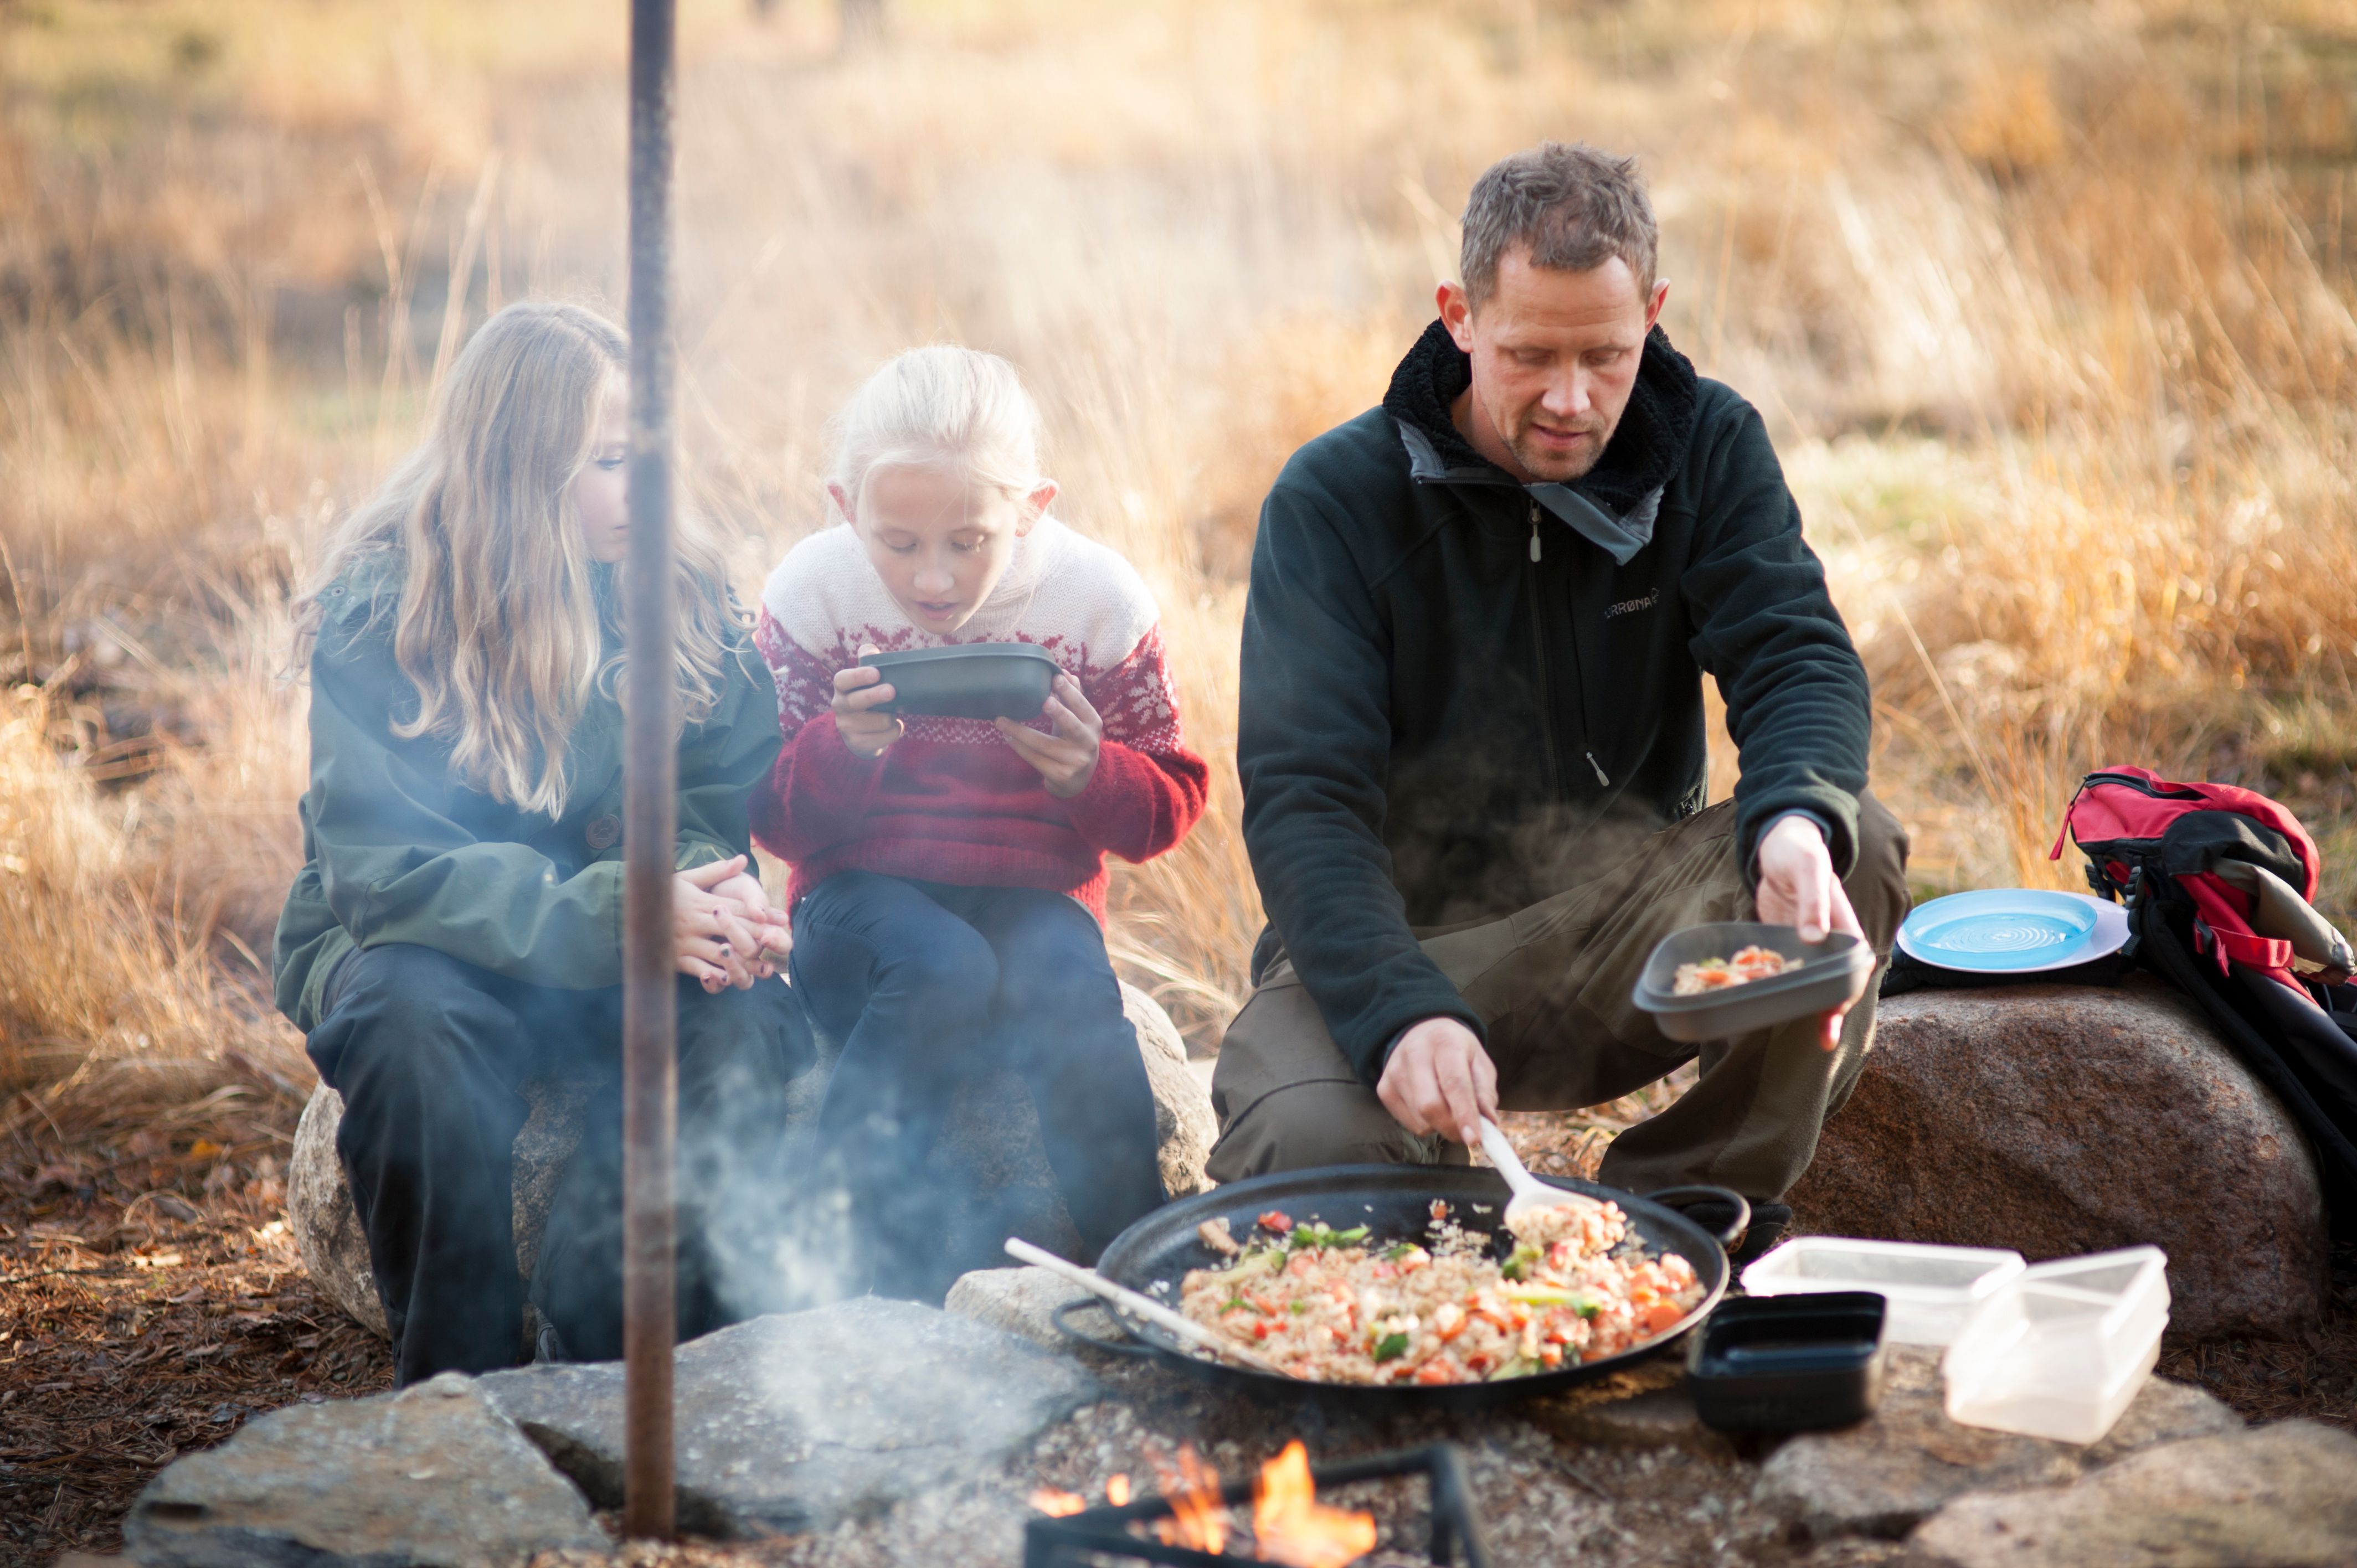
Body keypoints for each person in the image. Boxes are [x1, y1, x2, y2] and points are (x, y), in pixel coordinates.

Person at [1210, 143, 1910, 1257]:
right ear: (1457, 315)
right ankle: (1445, 1192)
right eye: (1529, 354)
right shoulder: (1334, 501)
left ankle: (1679, 1225)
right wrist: (1396, 1007)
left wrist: (1791, 823)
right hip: (1405, 949)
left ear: (1656, 315)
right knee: (1299, 1149)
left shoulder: (1709, 444)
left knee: (1849, 842)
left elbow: (1794, 655)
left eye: (1607, 356)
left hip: (1623, 943)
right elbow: (1305, 801)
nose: (1570, 400)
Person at [272, 302, 805, 1385]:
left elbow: (714, 792)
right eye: (609, 462)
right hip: (432, 947)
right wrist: (615, 911)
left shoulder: (683, 591)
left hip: (618, 941)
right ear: (521, 469)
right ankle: (459, 1396)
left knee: (735, 1027)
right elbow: (383, 873)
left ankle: (612, 1367)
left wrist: (708, 897)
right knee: (408, 1028)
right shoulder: (389, 610)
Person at [752, 345, 1204, 1300]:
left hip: (1035, 897)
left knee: (1072, 986)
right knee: (940, 962)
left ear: (1033, 508)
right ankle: (845, 1256)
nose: (933, 581)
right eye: (899, 543)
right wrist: (843, 750)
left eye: (969, 540)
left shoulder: (1096, 600)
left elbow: (1171, 803)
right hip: (857, 918)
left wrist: (1093, 773)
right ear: (846, 510)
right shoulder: (813, 593)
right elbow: (762, 810)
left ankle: (1140, 1276)